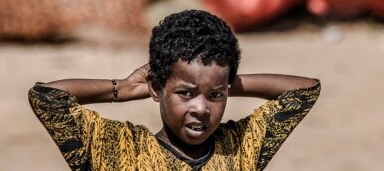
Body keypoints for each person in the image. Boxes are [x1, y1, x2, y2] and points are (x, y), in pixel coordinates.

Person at [29, 9, 320, 170]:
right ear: (156, 88)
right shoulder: (117, 150)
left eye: (215, 96)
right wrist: (126, 87)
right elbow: (47, 99)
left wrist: (226, 83)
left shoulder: (239, 148)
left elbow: (303, 92)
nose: (201, 108)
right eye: (186, 93)